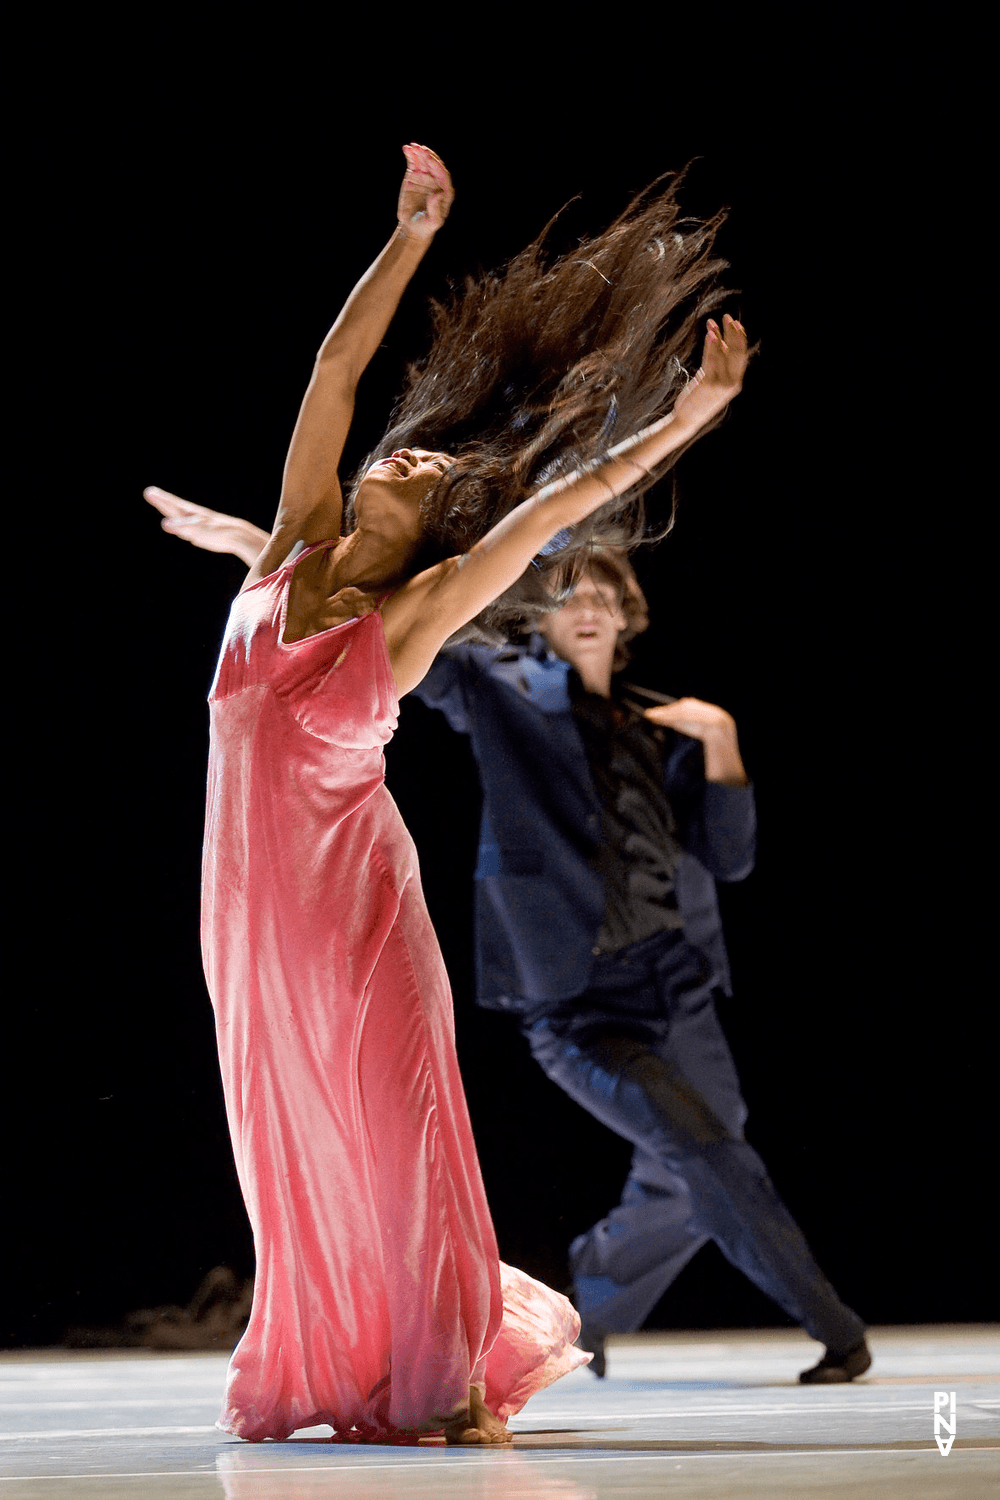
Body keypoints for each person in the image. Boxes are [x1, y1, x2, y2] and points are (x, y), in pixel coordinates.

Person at [150, 144, 750, 1443]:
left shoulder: (410, 617)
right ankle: (329, 1358)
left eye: (431, 479)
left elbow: (553, 509)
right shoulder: (294, 544)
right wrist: (411, 236)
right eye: (406, 459)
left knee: (398, 1133)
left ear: (428, 536)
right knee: (288, 1141)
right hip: (246, 919)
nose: (411, 460)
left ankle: (445, 1382)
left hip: (359, 915)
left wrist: (691, 418)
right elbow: (333, 372)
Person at [150, 503, 870, 1387]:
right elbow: (384, 632)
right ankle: (839, 1332)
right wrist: (261, 552)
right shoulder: (504, 686)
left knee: (700, 1169)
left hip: (678, 983)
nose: (588, 605)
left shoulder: (661, 722)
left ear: (629, 608)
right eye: (567, 592)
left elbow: (729, 858)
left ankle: (585, 1318)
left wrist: (722, 746)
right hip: (575, 1000)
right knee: (710, 1157)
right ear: (541, 614)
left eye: (604, 589)